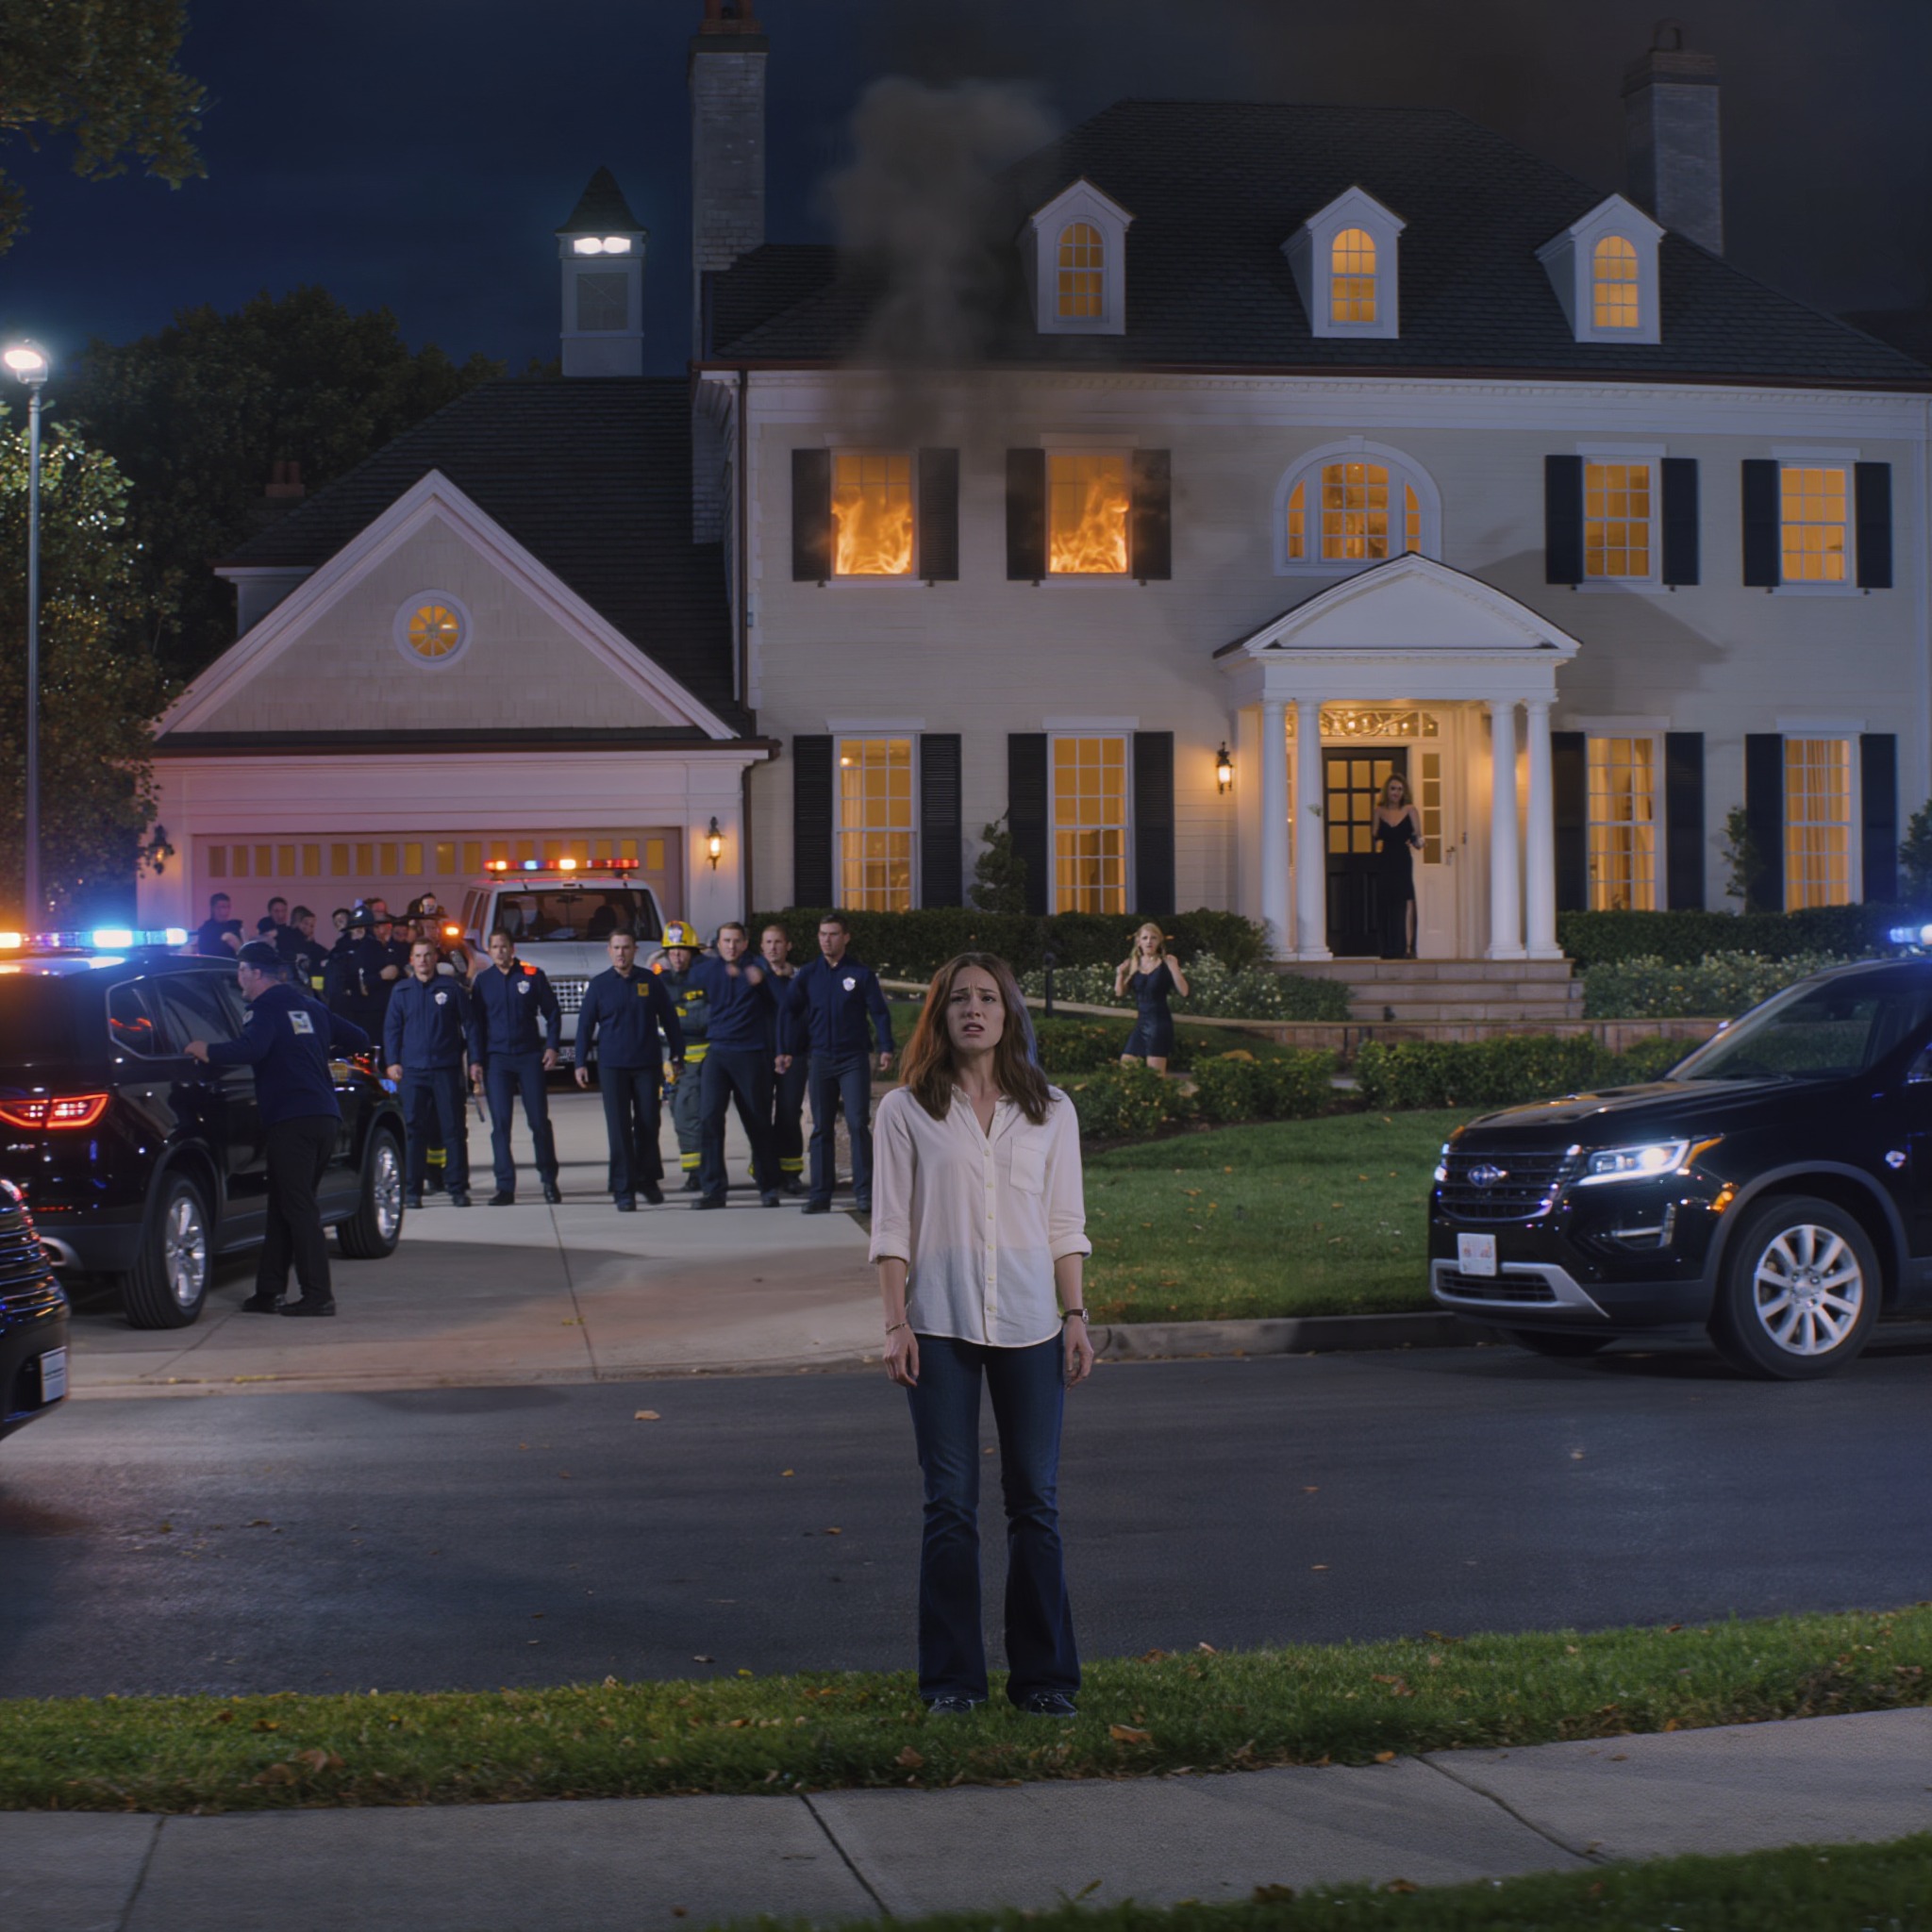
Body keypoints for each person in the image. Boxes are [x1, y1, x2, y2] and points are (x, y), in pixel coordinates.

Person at [870, 952, 1093, 1718]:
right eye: (960, 998)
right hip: (938, 1326)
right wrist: (895, 1322)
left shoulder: (1050, 1110)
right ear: (939, 1013)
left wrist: (1075, 1316)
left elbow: (1065, 1223)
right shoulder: (905, 1111)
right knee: (950, 1508)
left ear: (1008, 1014)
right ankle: (953, 1684)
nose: (974, 1009)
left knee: (1036, 1503)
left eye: (988, 998)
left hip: (1032, 1325)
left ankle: (1045, 1680)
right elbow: (891, 1225)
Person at [184, 940, 370, 1317]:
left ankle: (318, 1295)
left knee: (298, 1207)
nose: (239, 979)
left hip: (291, 1119)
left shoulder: (263, 1008)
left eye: (242, 971)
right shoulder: (311, 1006)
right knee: (285, 1204)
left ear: (256, 973)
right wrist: (314, 1050)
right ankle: (269, 1291)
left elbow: (250, 1049)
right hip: (324, 1116)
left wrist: (207, 1050)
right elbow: (360, 1039)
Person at [782, 912, 894, 1215]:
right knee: (822, 1128)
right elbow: (790, 1010)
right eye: (822, 934)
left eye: (833, 934)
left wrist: (886, 1046)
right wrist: (787, 1048)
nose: (827, 940)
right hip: (820, 1058)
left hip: (853, 1058)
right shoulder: (808, 974)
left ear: (846, 937)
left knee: (858, 1123)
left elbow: (879, 1012)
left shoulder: (860, 974)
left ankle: (865, 1193)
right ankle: (820, 1194)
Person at [575, 928, 685, 1208]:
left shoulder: (649, 981)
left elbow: (669, 1018)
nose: (621, 953)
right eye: (616, 947)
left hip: (647, 1064)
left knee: (649, 1123)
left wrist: (678, 1053)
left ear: (635, 950)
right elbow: (585, 1025)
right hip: (613, 1067)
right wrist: (579, 1061)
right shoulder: (599, 985)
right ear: (609, 951)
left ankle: (647, 1179)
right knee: (619, 1128)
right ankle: (623, 1188)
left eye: (626, 947)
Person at [689, 922, 781, 1209]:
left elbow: (779, 1003)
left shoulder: (757, 968)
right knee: (709, 1118)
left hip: (750, 1053)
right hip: (718, 1052)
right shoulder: (708, 970)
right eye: (726, 941)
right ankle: (713, 1190)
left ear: (745, 943)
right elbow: (683, 984)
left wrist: (761, 983)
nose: (731, 946)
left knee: (757, 1121)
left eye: (736, 941)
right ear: (718, 945)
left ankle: (768, 1186)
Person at [385, 937, 481, 1209]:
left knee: (453, 1130)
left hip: (446, 1070)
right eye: (418, 956)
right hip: (413, 1073)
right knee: (414, 1131)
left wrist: (474, 1061)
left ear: (435, 958)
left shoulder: (451, 989)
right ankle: (413, 1191)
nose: (423, 960)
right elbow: (392, 1029)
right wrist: (392, 1062)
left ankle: (457, 1188)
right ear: (411, 960)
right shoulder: (401, 991)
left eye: (427, 955)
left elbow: (471, 1026)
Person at [469, 926, 562, 1205]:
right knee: (501, 1125)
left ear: (513, 949)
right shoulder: (483, 981)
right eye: (495, 947)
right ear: (489, 951)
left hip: (529, 1057)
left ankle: (549, 1181)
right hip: (497, 1061)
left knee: (539, 1122)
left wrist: (552, 1046)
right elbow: (475, 1025)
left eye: (504, 946)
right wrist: (476, 1060)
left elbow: (553, 1012)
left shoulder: (532, 975)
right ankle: (505, 1187)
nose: (500, 951)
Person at [652, 922, 709, 1191]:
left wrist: (676, 1018)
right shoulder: (661, 982)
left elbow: (703, 1021)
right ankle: (696, 1170)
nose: (676, 955)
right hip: (670, 1062)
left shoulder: (703, 979)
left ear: (693, 951)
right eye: (671, 950)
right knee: (679, 1114)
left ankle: (699, 1173)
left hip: (699, 1060)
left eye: (682, 949)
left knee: (689, 1114)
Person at [760, 923, 808, 1193]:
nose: (773, 947)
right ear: (761, 947)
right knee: (760, 1114)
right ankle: (765, 1170)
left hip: (793, 1054)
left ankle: (791, 1173)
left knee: (789, 1113)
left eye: (778, 942)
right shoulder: (755, 977)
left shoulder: (799, 979)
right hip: (761, 1055)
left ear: (788, 946)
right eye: (768, 942)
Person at [1112, 924, 1190, 1075]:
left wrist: (1174, 968)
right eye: (1145, 938)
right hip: (1141, 1024)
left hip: (1159, 1024)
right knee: (1126, 1067)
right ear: (1138, 942)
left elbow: (1185, 991)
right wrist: (1120, 974)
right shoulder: (1134, 963)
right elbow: (1120, 993)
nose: (1149, 942)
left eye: (1153, 938)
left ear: (1159, 941)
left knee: (1155, 1076)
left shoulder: (1167, 962)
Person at [1374, 773, 1424, 959]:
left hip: (1403, 859)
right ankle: (1388, 948)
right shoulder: (1378, 811)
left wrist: (1418, 842)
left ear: (1404, 792)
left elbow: (1418, 838)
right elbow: (1375, 836)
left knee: (1406, 898)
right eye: (1393, 788)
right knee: (1386, 900)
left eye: (1400, 789)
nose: (1396, 792)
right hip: (1385, 860)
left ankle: (1408, 948)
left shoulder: (1410, 810)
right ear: (1387, 790)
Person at [194, 891, 242, 958]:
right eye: (222, 907)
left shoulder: (235, 926)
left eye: (228, 907)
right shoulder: (206, 930)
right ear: (213, 908)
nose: (226, 910)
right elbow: (205, 953)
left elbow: (242, 952)